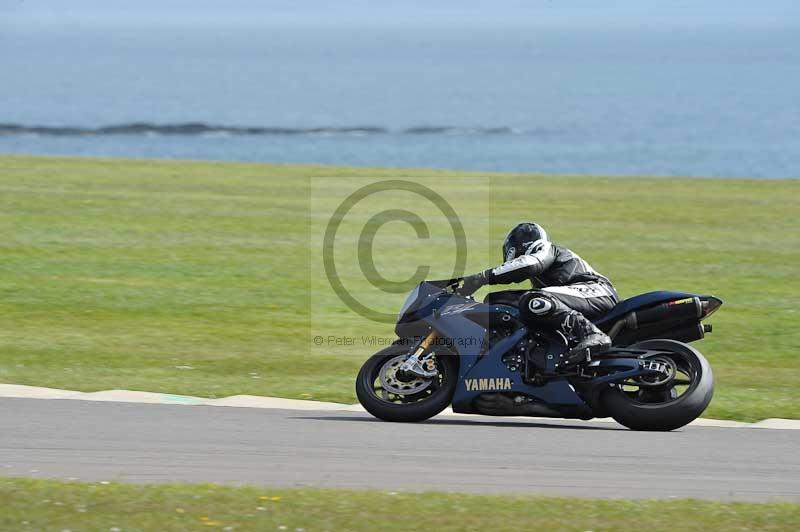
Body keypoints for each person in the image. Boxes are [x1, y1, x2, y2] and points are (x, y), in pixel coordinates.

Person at [459, 222, 618, 369]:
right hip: (584, 298)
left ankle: (593, 334)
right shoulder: (542, 280)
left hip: (598, 291)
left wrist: (479, 278)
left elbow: (528, 265)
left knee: (532, 300)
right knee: (497, 301)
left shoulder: (547, 249)